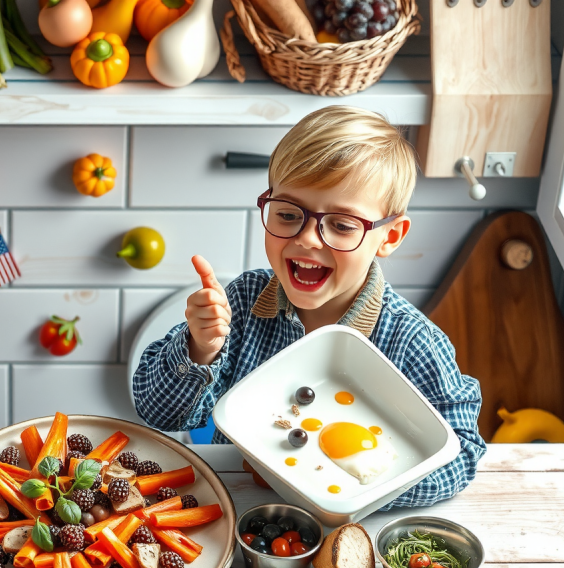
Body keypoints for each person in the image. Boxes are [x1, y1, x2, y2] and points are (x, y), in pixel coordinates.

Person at [132, 105, 484, 508]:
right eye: (287, 214)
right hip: (237, 511)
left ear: (389, 237)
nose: (308, 239)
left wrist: (360, 489)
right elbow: (158, 414)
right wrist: (200, 349)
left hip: (355, 530)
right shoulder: (244, 302)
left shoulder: (412, 341)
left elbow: (463, 457)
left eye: (342, 225)